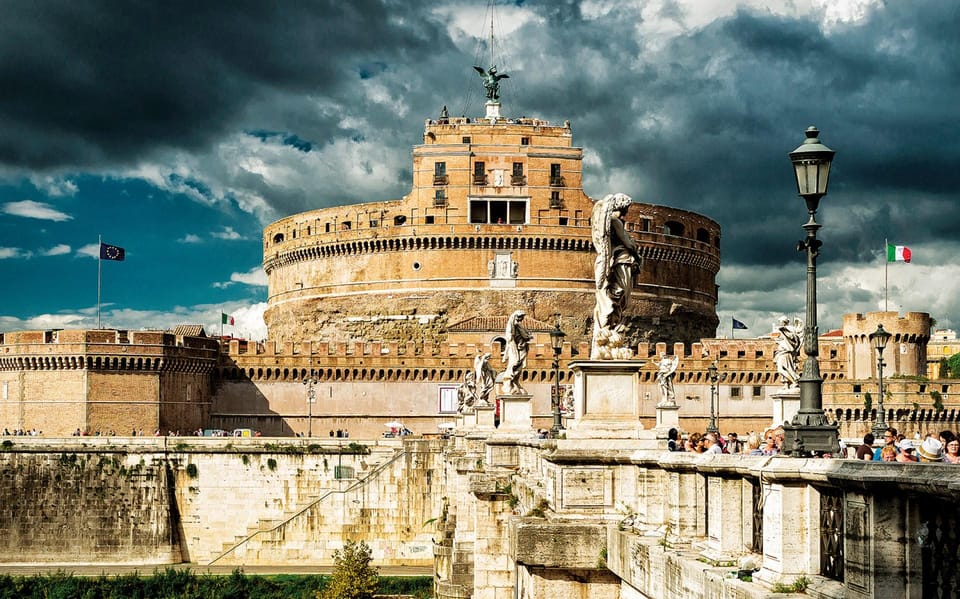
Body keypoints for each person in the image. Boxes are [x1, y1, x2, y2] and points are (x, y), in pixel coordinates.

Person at [590, 193, 643, 359]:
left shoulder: (613, 221)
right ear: (623, 206)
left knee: (619, 299)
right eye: (627, 207)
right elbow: (626, 242)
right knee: (618, 294)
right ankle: (608, 330)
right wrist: (636, 251)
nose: (628, 210)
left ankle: (611, 328)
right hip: (621, 262)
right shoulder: (614, 221)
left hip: (620, 262)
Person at [501, 310, 532, 395]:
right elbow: (509, 337)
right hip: (513, 346)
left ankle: (515, 381)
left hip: (521, 348)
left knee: (520, 365)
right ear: (515, 317)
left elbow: (526, 336)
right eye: (519, 318)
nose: (520, 320)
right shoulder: (511, 326)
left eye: (521, 319)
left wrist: (524, 342)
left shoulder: (519, 326)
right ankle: (508, 380)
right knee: (515, 362)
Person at [774, 317, 801, 388]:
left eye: (781, 321)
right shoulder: (783, 329)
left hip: (786, 352)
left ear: (784, 321)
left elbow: (793, 338)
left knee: (782, 369)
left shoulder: (790, 328)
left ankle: (794, 381)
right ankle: (788, 383)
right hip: (782, 351)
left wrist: (785, 331)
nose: (780, 323)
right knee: (786, 368)